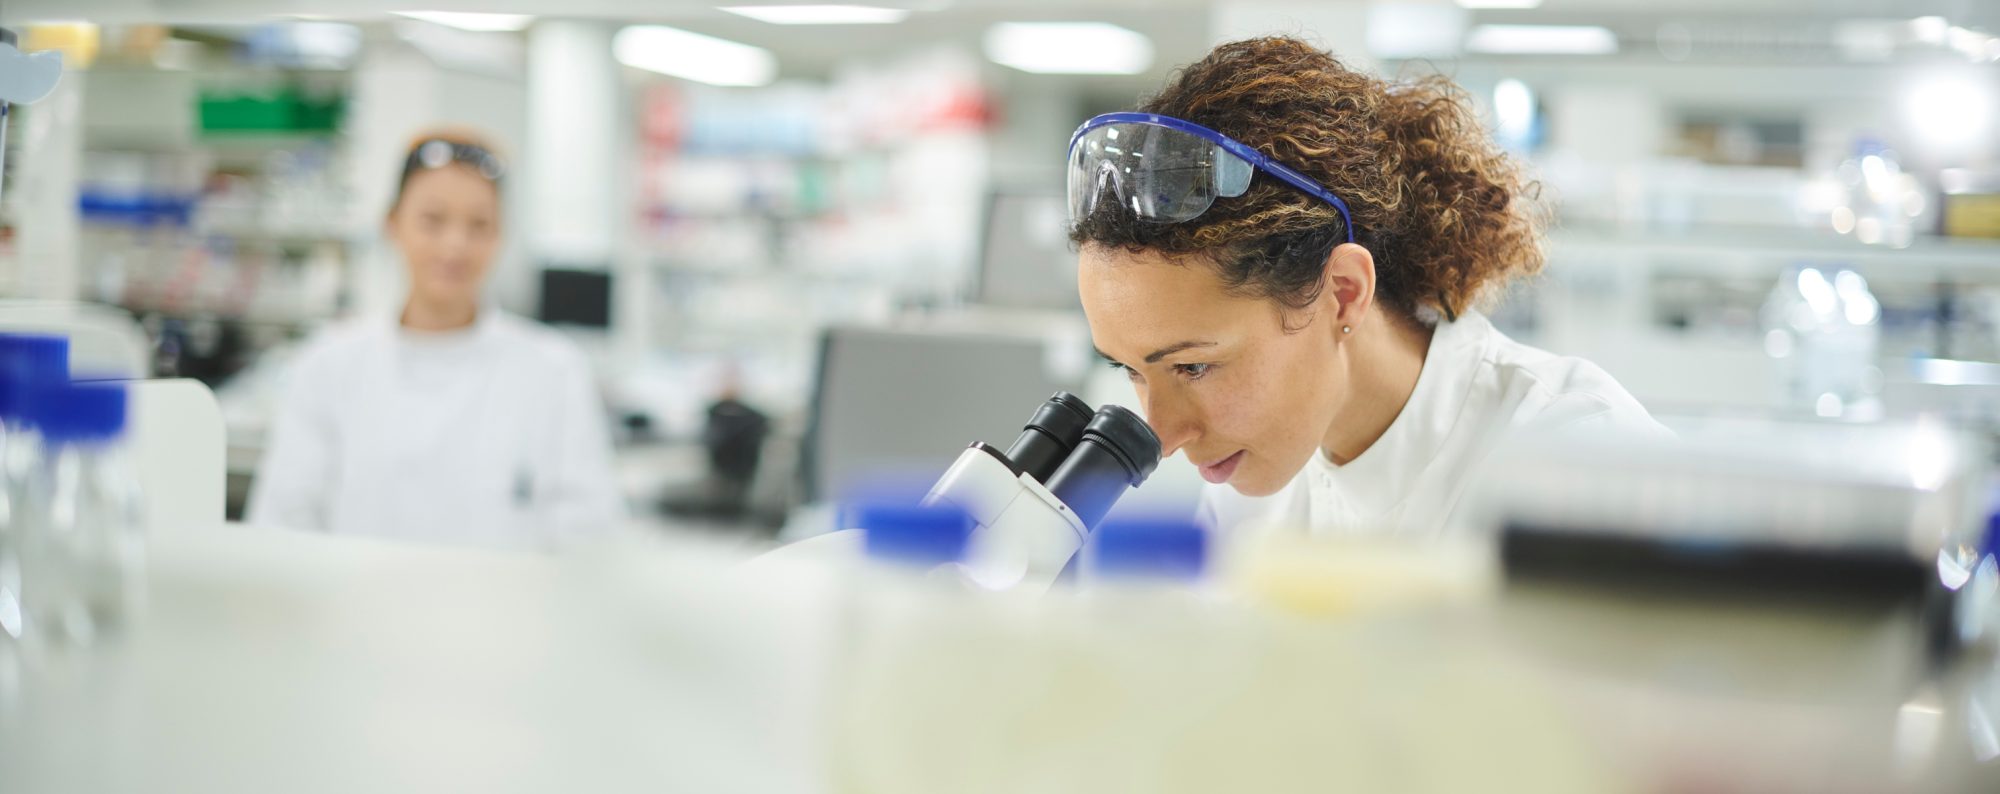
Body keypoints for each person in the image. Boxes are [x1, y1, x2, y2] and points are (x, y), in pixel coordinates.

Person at [1069, 38, 1667, 539]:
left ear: (1344, 293)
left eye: (1194, 367)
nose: (1165, 436)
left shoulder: (1577, 454)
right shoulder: (1248, 497)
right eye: (1132, 371)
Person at [247, 129, 623, 550]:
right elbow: (282, 530)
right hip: (355, 613)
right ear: (392, 225)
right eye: (433, 220)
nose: (455, 245)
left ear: (501, 235)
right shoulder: (327, 366)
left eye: (479, 225)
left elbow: (589, 538)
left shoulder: (553, 370)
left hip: (504, 614)